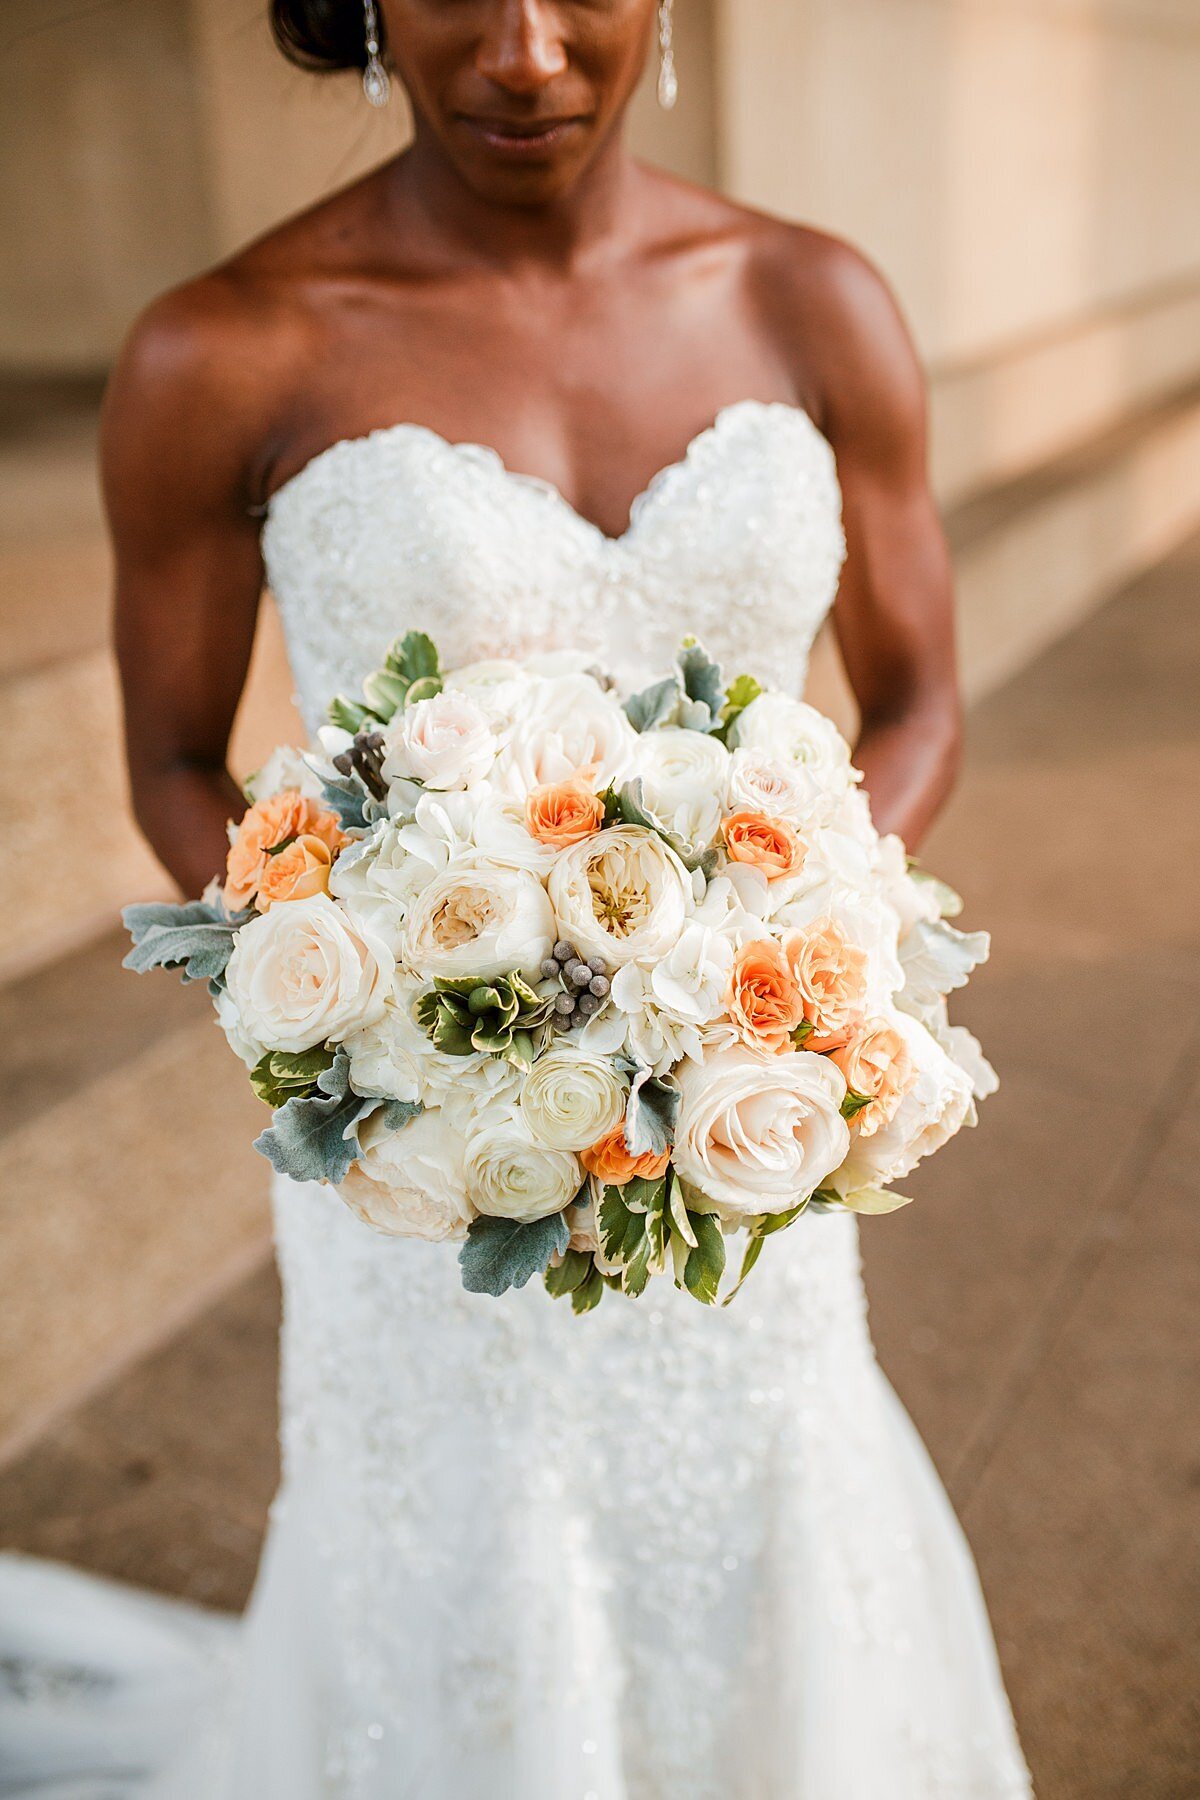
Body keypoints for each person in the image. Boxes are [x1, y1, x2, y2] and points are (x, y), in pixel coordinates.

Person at [0, 2, 1033, 1794]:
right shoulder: (222, 350)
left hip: (738, 1096)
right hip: (423, 1135)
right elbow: (176, 759)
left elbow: (921, 693)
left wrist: (792, 936)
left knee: (761, 1476)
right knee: (462, 1548)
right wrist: (370, 997)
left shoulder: (816, 302)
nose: (530, 53)